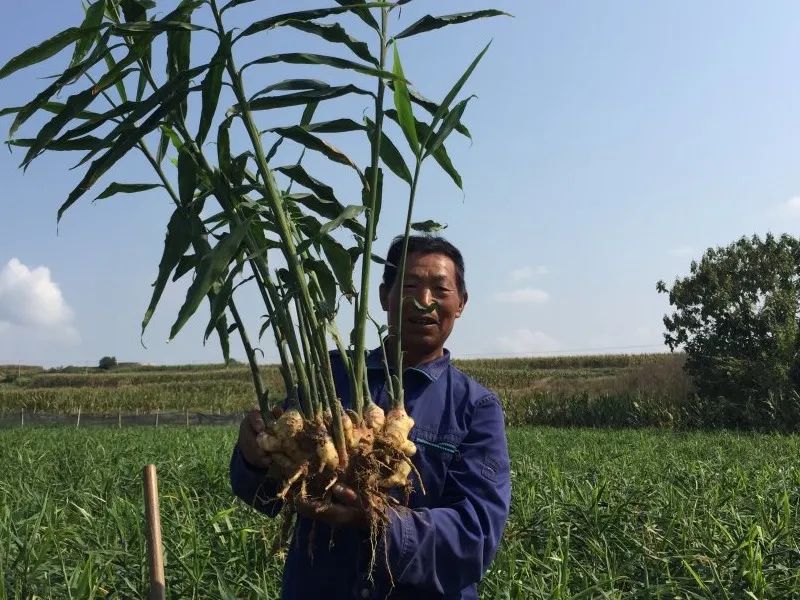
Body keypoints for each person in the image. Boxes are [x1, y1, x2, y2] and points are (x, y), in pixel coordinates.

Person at [230, 235, 511, 600]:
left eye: (439, 290)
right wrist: (254, 458)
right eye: (409, 286)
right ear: (383, 296)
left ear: (460, 304)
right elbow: (272, 495)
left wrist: (378, 520)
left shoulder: (476, 407)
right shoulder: (328, 378)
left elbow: (476, 536)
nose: (424, 302)